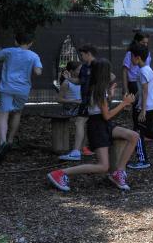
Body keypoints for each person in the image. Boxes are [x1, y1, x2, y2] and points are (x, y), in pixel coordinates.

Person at [47, 59, 139, 192]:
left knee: (133, 136)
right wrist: (124, 103)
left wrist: (111, 95)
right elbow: (106, 115)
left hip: (104, 124)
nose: (111, 75)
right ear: (103, 73)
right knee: (103, 166)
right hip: (98, 126)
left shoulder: (97, 87)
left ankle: (119, 172)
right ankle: (60, 173)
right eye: (108, 72)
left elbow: (102, 111)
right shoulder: (98, 90)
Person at [0, 32, 43, 162]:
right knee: (17, 113)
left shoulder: (8, 51)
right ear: (31, 43)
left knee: (3, 114)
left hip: (7, 88)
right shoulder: (34, 55)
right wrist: (34, 69)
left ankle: (2, 142)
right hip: (22, 89)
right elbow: (38, 72)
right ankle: (10, 140)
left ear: (16, 42)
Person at [56, 61, 93, 161]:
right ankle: (81, 147)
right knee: (85, 119)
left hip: (80, 107)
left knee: (91, 118)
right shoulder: (67, 83)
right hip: (71, 109)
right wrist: (73, 101)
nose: (81, 71)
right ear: (71, 71)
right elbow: (59, 99)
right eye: (79, 70)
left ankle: (83, 147)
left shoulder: (83, 81)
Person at [121, 32, 150, 116]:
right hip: (133, 83)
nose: (145, 44)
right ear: (137, 42)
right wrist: (125, 88)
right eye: (143, 42)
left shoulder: (147, 53)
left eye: (147, 43)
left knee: (143, 104)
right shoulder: (130, 54)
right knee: (136, 106)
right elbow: (124, 71)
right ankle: (137, 127)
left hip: (144, 81)